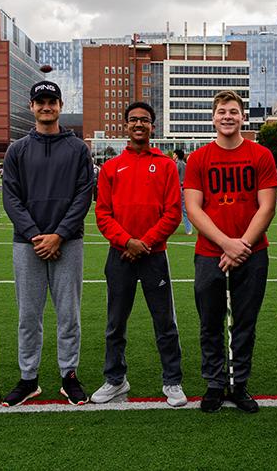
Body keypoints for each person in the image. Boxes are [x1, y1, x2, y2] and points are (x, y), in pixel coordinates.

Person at [184, 90, 277, 413]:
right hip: (211, 252)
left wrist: (243, 246)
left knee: (244, 321)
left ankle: (239, 384)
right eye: (222, 111)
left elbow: (266, 207)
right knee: (210, 320)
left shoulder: (261, 155)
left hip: (252, 252)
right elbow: (194, 209)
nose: (228, 116)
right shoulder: (198, 159)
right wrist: (227, 243)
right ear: (213, 117)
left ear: (243, 117)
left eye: (234, 111)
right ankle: (214, 382)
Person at [2, 80, 94, 407]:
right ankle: (29, 379)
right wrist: (35, 235)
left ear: (59, 105)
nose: (46, 107)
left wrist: (59, 234)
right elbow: (10, 197)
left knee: (68, 314)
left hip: (67, 242)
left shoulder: (78, 148)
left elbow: (85, 194)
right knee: (29, 315)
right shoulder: (17, 150)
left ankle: (69, 376)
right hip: (28, 244)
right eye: (40, 102)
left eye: (51, 101)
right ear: (31, 107)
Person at [91, 101, 186, 407]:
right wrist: (127, 242)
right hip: (120, 256)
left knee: (165, 322)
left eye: (144, 120)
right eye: (133, 120)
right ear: (126, 126)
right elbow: (103, 214)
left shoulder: (167, 165)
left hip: (154, 255)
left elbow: (172, 213)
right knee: (115, 322)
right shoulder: (110, 167)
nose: (139, 125)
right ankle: (115, 379)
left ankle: (172, 381)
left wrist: (143, 243)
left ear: (152, 126)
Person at [173, 148, 192, 234]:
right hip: (185, 188)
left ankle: (171, 229)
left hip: (178, 188)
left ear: (176, 155)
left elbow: (174, 176)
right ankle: (189, 230)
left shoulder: (177, 164)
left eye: (174, 154)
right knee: (185, 210)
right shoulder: (185, 164)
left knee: (173, 209)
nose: (173, 155)